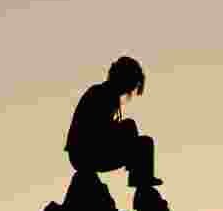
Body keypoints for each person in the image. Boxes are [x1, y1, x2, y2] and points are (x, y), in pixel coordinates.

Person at [64, 56, 163, 188]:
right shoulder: (101, 94)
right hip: (86, 153)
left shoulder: (106, 94)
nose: (131, 89)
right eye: (132, 83)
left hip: (85, 154)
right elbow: (96, 130)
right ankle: (138, 176)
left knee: (143, 143)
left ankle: (139, 178)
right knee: (136, 134)